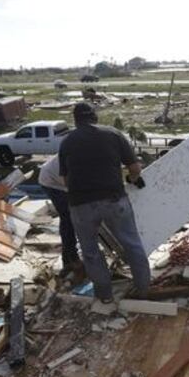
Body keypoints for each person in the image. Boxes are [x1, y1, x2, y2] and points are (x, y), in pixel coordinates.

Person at [58, 102, 150, 304]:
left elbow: (65, 181)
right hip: (114, 200)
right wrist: (132, 179)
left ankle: (104, 295)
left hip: (81, 205)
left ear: (75, 120)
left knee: (90, 251)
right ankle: (143, 289)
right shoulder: (113, 134)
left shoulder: (67, 142)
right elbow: (135, 168)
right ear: (95, 117)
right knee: (132, 244)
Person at [38, 154, 82, 281]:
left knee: (72, 216)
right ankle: (70, 259)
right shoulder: (73, 159)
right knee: (68, 217)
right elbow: (73, 186)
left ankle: (70, 258)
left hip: (62, 180)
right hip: (51, 182)